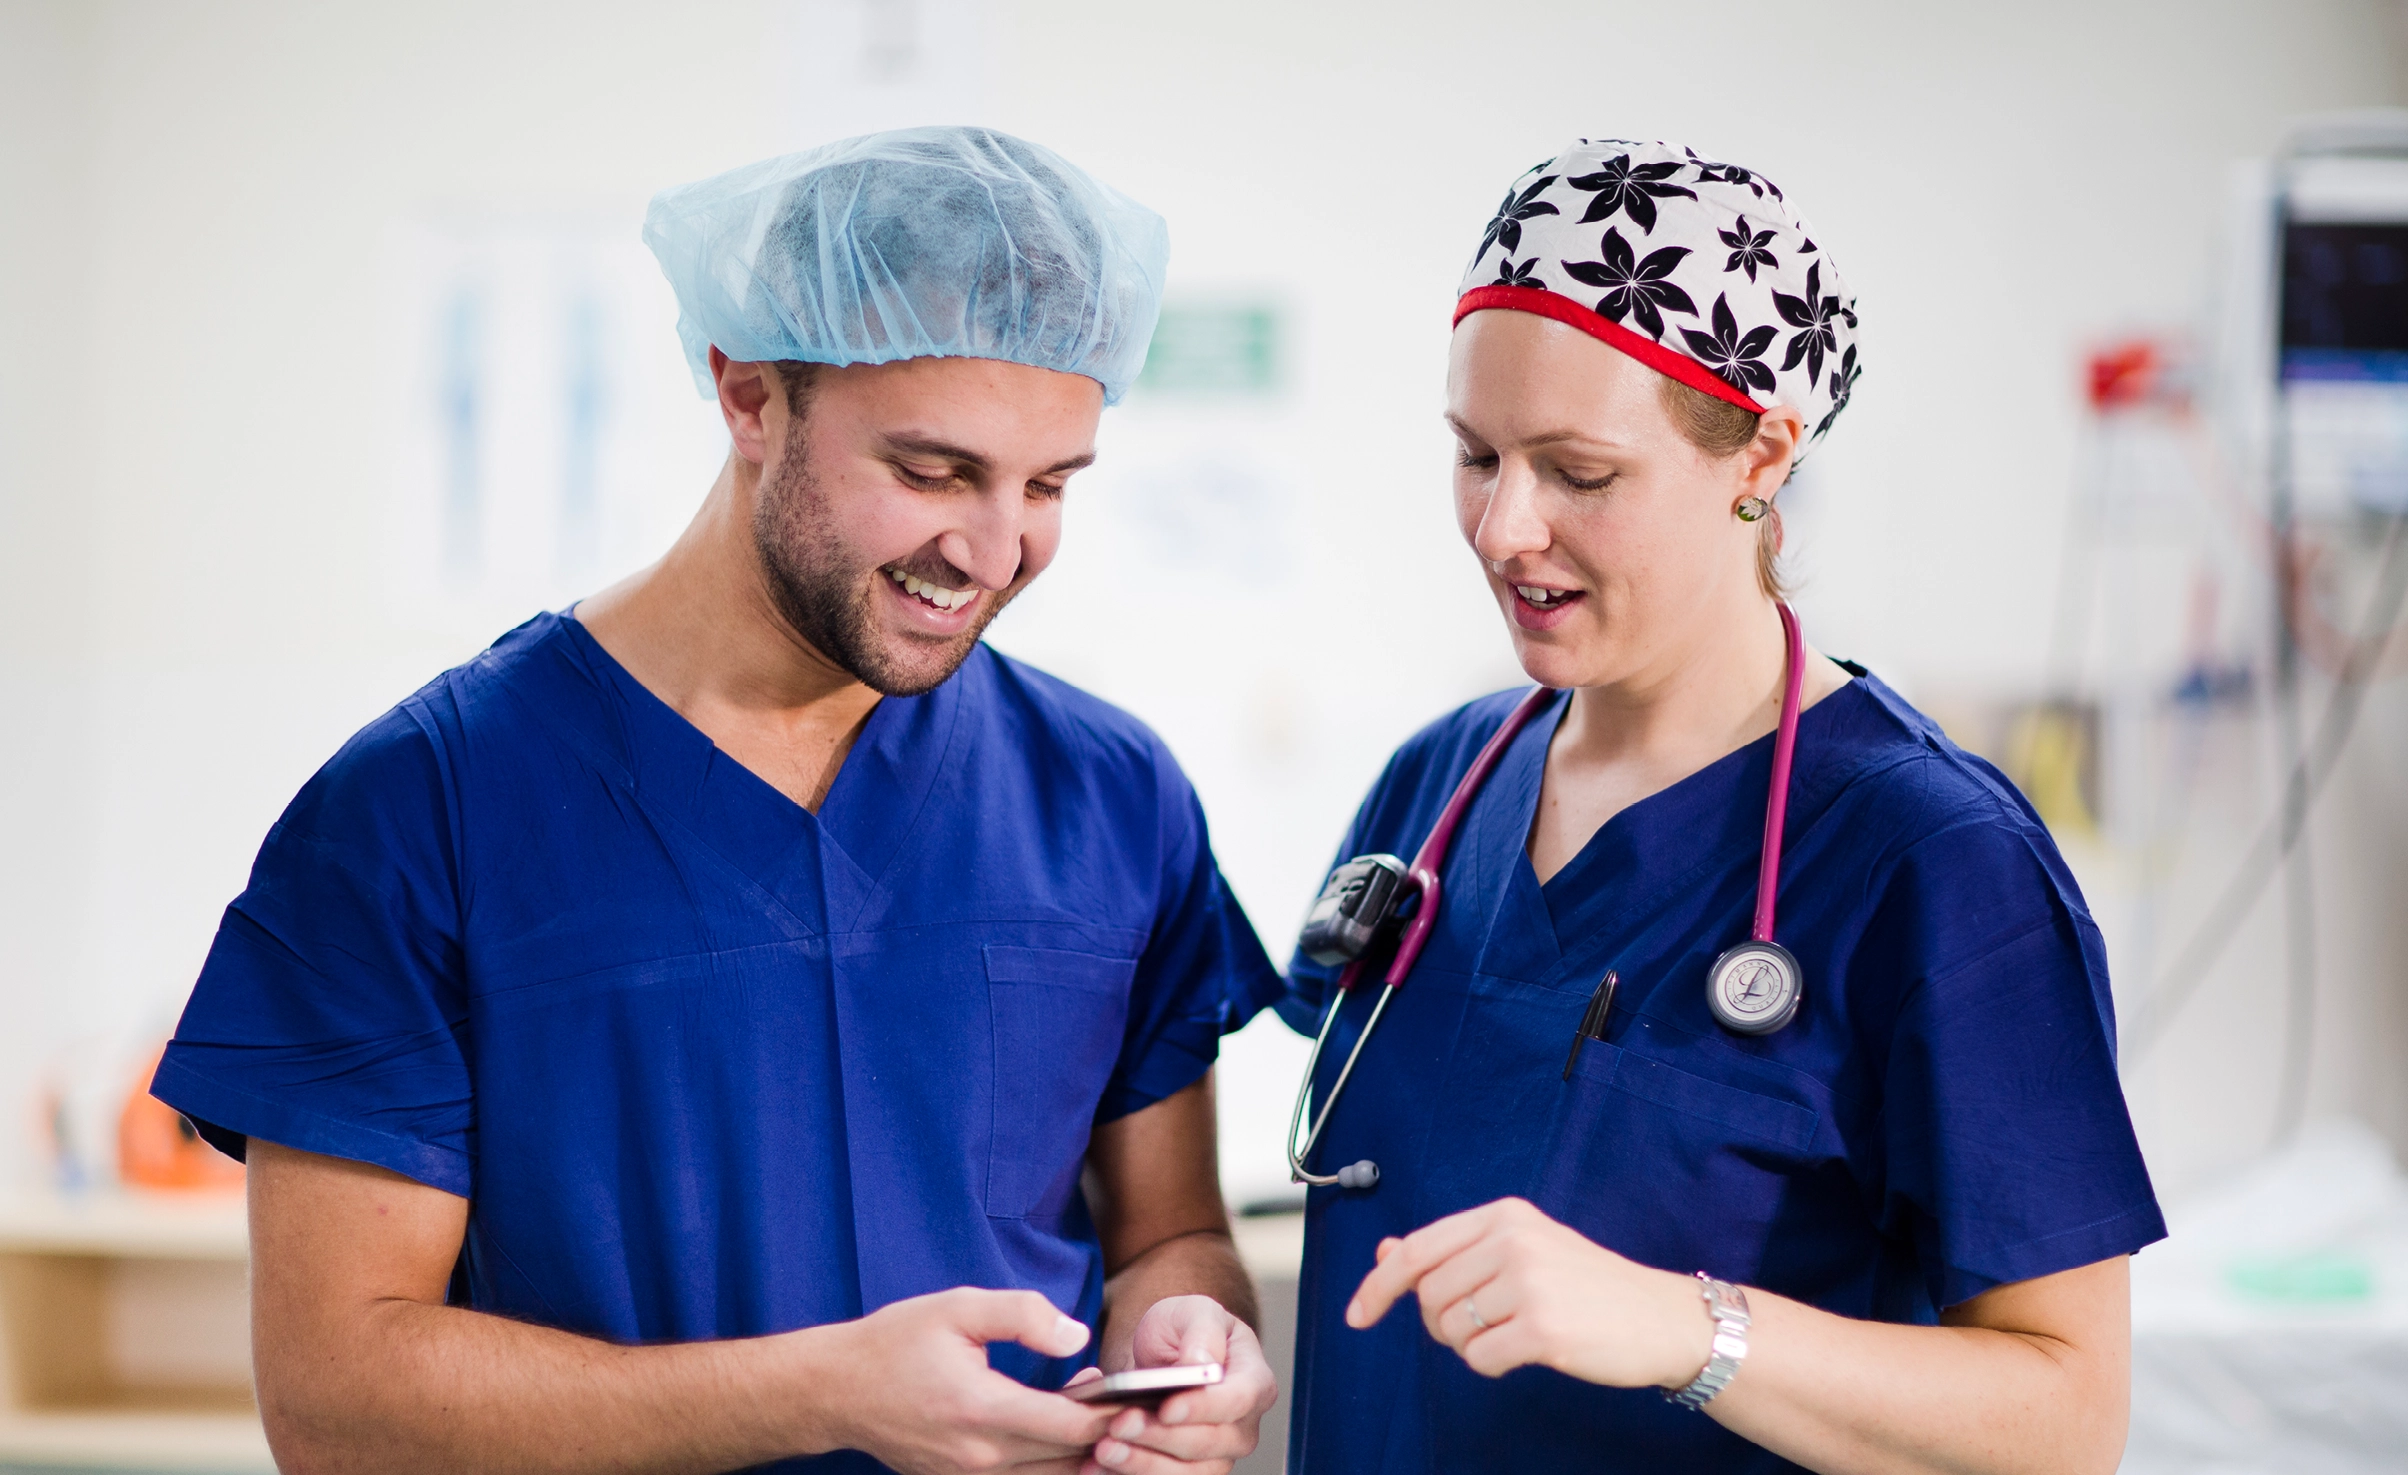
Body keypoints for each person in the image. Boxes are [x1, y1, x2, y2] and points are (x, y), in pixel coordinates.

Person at [153, 127, 1277, 1475]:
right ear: (749, 396)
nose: (993, 551)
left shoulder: (1110, 795)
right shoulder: (419, 812)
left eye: (1045, 486)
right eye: (930, 471)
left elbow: (1169, 1235)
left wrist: (1193, 1340)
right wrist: (826, 1391)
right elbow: (337, 1401)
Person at [1273, 139, 2165, 1474]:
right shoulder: (1439, 783)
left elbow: (2066, 1420)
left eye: (1579, 473)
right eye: (1476, 455)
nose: (1504, 528)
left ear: (1764, 450)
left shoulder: (1931, 862)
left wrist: (1689, 1327)